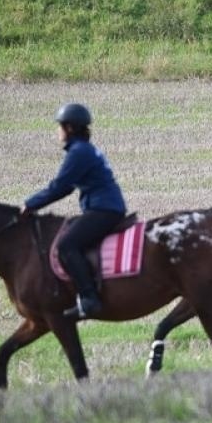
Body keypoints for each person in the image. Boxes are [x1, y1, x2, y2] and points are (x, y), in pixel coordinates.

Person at [20, 102, 127, 319]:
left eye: (60, 126)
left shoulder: (79, 152)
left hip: (103, 210)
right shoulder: (84, 150)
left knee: (67, 246)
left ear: (69, 128)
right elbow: (67, 187)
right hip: (105, 207)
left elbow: (60, 186)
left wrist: (30, 204)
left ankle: (89, 299)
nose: (57, 131)